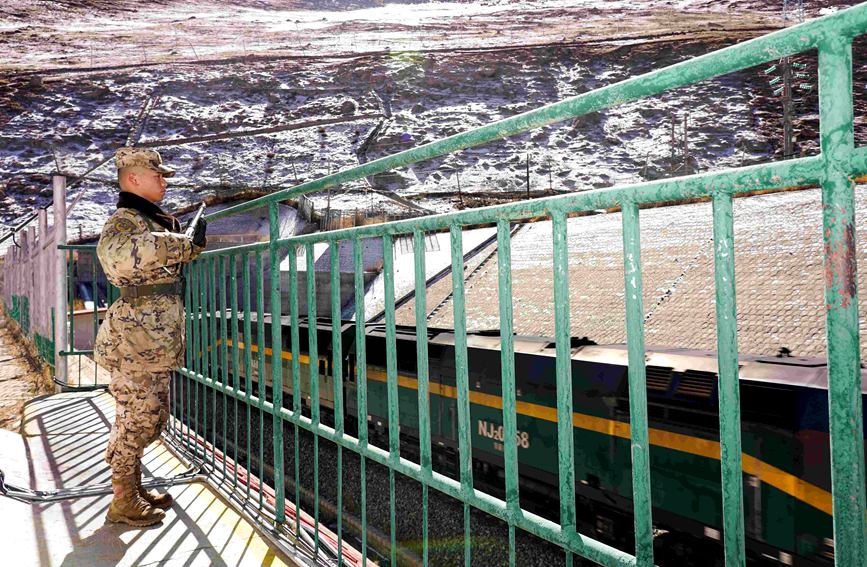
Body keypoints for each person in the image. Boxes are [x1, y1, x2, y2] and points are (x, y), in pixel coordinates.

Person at [94, 147, 207, 527]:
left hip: (151, 342)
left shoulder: (147, 220)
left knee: (151, 417)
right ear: (133, 179)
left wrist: (183, 241)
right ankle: (122, 501)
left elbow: (152, 258)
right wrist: (182, 244)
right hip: (135, 343)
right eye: (157, 175)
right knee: (137, 419)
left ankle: (132, 489)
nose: (163, 182)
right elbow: (117, 256)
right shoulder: (124, 221)